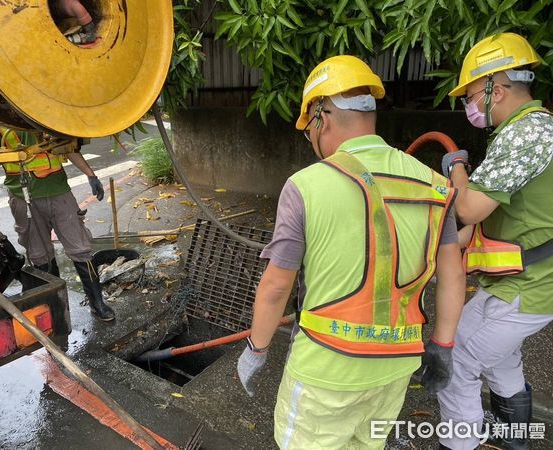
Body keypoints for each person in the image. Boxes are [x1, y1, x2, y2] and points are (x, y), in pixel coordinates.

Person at [237, 55, 466, 449]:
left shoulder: (305, 186)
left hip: (326, 371)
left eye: (308, 130)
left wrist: (257, 349)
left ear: (320, 119)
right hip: (396, 367)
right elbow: (453, 273)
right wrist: (443, 345)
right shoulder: (432, 184)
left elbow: (276, 286)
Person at [438, 33, 553, 450]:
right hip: (520, 279)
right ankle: (514, 441)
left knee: (456, 361)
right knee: (502, 359)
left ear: (497, 90)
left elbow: (467, 210)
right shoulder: (526, 130)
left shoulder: (528, 136)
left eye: (470, 97)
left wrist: (457, 167)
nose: (469, 106)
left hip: (528, 285)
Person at [0, 127, 115, 322]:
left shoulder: (40, 109)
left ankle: (97, 303)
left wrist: (90, 174)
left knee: (80, 248)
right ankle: (56, 308)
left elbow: (67, 147)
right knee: (39, 256)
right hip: (22, 200)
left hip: (58, 194)